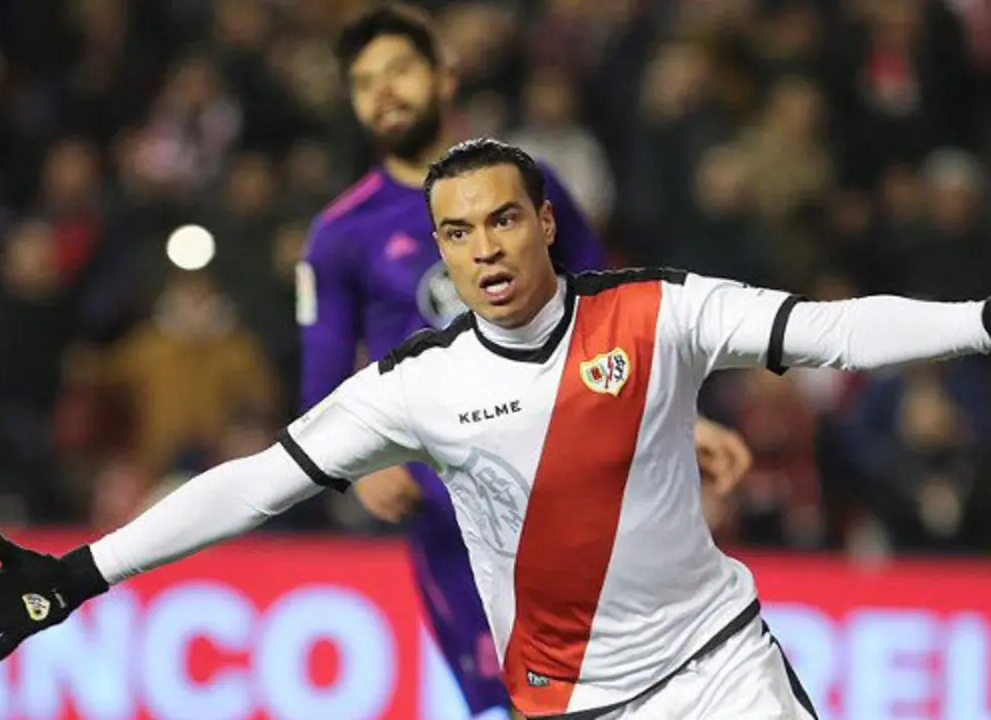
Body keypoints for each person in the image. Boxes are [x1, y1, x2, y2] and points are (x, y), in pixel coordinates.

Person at [0, 139, 991, 718]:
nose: (482, 251)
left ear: (543, 226)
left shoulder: (659, 312)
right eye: (458, 234)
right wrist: (84, 572)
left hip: (721, 669)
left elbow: (833, 331)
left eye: (501, 224)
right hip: (564, 704)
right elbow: (259, 483)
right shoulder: (415, 384)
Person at [299, 6, 750, 715]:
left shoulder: (525, 183)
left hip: (577, 488)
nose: (383, 93)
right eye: (363, 83)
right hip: (451, 515)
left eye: (399, 71)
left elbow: (614, 318)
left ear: (445, 77)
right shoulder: (338, 234)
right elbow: (320, 375)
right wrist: (358, 468)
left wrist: (678, 419)